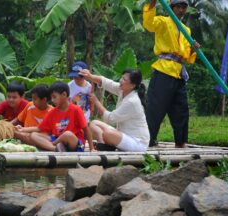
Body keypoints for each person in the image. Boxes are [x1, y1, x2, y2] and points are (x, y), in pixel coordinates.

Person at [143, 0, 200, 148]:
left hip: (179, 72)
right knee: (156, 108)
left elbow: (186, 56)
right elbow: (149, 24)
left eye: (184, 7)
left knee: (181, 109)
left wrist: (193, 50)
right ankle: (148, 140)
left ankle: (181, 142)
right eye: (178, 7)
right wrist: (152, 4)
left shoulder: (186, 30)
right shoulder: (163, 21)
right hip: (163, 70)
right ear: (171, 8)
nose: (181, 10)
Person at [79, 68, 150, 152]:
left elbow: (110, 118)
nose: (120, 81)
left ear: (132, 85)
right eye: (121, 78)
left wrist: (96, 101)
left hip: (137, 143)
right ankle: (103, 145)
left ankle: (108, 145)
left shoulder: (132, 101)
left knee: (108, 134)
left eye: (124, 79)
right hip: (122, 135)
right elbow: (107, 83)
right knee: (94, 124)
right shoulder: (123, 90)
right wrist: (90, 76)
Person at [20, 81, 95, 152]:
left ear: (64, 95)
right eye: (51, 97)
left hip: (74, 142)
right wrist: (22, 129)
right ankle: (55, 149)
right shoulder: (52, 112)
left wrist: (92, 148)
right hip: (57, 140)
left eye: (54, 97)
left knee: (67, 134)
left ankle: (53, 145)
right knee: (34, 135)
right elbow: (39, 128)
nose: (52, 100)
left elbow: (86, 129)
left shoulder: (76, 109)